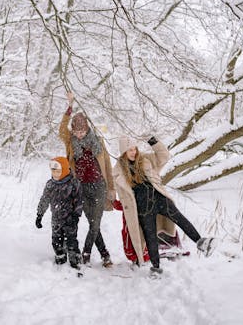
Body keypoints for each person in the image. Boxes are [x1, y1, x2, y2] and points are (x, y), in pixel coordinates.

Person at [112, 135, 215, 275]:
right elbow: (123, 196)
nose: (133, 152)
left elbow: (164, 156)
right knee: (150, 237)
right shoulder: (118, 171)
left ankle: (201, 242)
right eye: (130, 150)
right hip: (142, 207)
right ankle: (155, 268)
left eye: (134, 149)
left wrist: (153, 141)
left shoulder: (145, 159)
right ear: (123, 151)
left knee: (179, 217)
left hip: (158, 198)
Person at [59, 91, 115, 267]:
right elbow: (62, 129)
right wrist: (69, 106)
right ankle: (105, 254)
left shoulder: (97, 140)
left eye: (82, 131)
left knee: (95, 222)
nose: (80, 134)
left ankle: (86, 253)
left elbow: (107, 165)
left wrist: (111, 188)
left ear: (87, 129)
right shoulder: (70, 141)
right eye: (76, 131)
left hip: (99, 186)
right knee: (93, 223)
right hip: (81, 187)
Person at [36, 157, 83, 269]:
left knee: (71, 240)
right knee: (56, 240)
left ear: (65, 169)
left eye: (58, 171)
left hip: (70, 218)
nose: (55, 174)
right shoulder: (50, 184)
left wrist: (76, 215)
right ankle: (60, 256)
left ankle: (74, 258)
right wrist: (39, 215)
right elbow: (44, 200)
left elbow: (79, 201)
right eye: (53, 171)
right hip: (56, 218)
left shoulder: (73, 183)